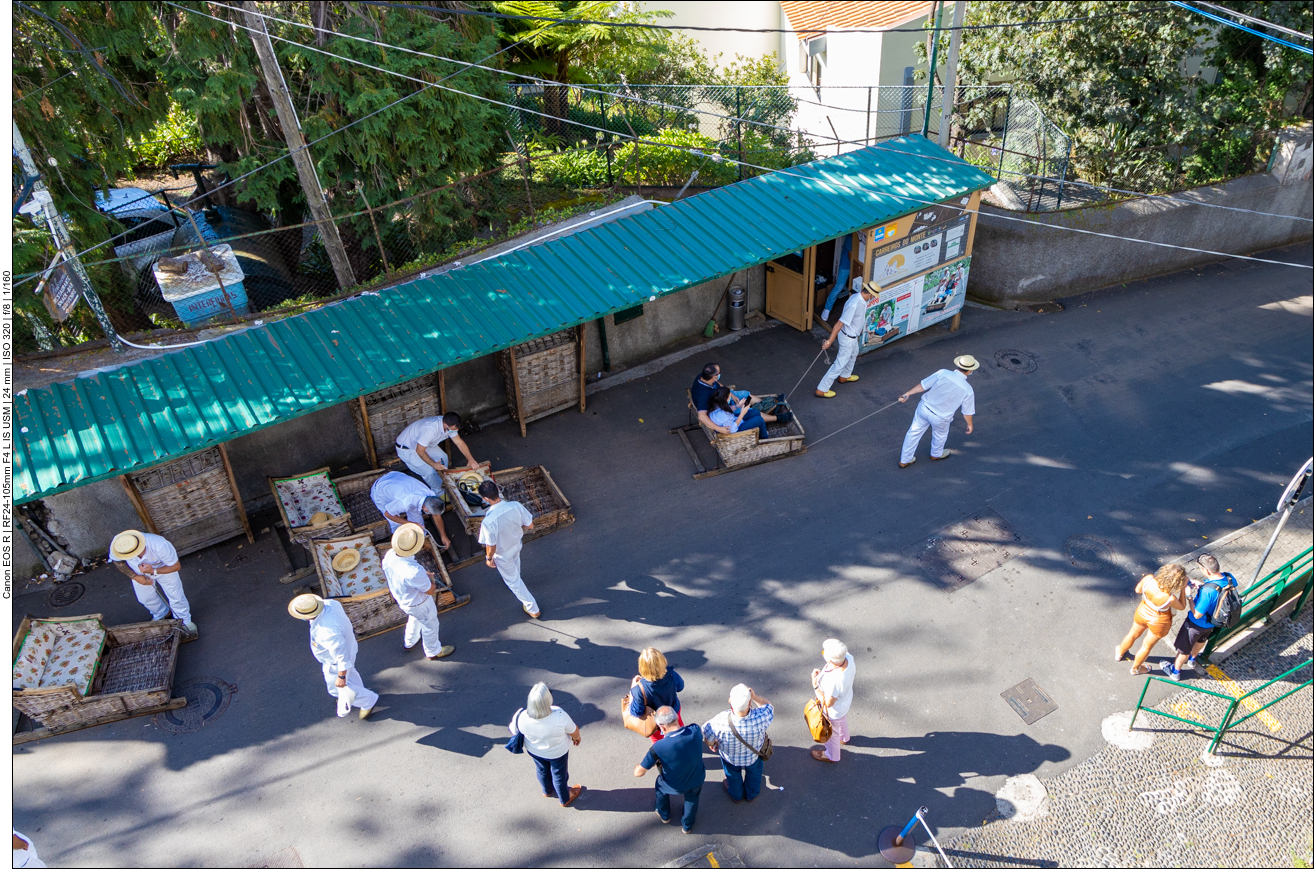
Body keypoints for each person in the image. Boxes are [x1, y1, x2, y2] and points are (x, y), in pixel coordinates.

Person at [288, 593, 378, 719]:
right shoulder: (331, 604)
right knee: (351, 674)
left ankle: (368, 700)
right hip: (349, 646)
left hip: (335, 662)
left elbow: (342, 657)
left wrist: (341, 677)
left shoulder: (328, 631)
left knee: (335, 688)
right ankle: (358, 691)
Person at [381, 524, 454, 660]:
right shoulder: (414, 571)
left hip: (404, 600)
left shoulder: (390, 555)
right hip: (420, 603)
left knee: (415, 618)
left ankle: (410, 642)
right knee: (431, 625)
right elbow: (430, 591)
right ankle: (433, 651)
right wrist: (431, 578)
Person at [107, 530, 197, 640]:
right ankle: (162, 613)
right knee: (145, 598)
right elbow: (118, 562)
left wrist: (153, 571)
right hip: (139, 573)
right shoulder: (118, 545)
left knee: (175, 595)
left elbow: (176, 566)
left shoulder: (159, 545)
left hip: (164, 569)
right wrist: (135, 577)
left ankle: (184, 620)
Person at [1161, 554, 1239, 681]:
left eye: (1201, 568)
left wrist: (1189, 596)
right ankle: (1192, 659)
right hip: (1212, 623)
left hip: (1195, 625)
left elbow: (1197, 614)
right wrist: (1202, 585)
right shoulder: (1229, 577)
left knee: (1184, 649)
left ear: (1207, 571)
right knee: (1201, 640)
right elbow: (1219, 591)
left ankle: (1175, 671)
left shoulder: (1208, 592)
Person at [897, 355, 980, 467]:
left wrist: (908, 393)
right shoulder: (968, 389)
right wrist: (969, 424)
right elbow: (967, 412)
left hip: (924, 408)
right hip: (941, 417)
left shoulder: (943, 373)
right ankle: (936, 454)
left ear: (958, 365)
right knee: (940, 435)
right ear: (970, 371)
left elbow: (923, 385)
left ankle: (905, 460)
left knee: (913, 433)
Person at [510, 682, 584, 807]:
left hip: (534, 751)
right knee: (559, 774)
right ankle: (564, 798)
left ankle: (547, 791)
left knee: (542, 770)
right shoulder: (559, 714)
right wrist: (577, 738)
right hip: (557, 753)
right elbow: (573, 730)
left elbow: (514, 730)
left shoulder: (521, 715)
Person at [634, 706, 706, 833]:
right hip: (697, 779)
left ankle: (664, 814)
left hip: (673, 785)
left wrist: (638, 767)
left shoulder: (659, 747)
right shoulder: (695, 730)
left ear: (662, 727)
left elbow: (638, 773)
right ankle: (687, 826)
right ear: (677, 717)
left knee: (660, 786)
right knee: (692, 799)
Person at [476, 480, 541, 618]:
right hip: (517, 544)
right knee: (515, 563)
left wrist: (488, 558)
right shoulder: (515, 505)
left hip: (502, 553)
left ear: (486, 499)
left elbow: (491, 545)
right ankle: (515, 576)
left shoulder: (488, 521)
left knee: (514, 582)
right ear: (498, 491)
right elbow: (530, 525)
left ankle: (532, 608)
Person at [702, 684, 773, 803]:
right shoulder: (761, 717)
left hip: (730, 758)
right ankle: (751, 794)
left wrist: (712, 744)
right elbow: (768, 706)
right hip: (753, 756)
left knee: (732, 776)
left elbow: (708, 738)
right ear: (749, 703)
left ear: (730, 702)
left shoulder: (718, 721)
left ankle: (737, 796)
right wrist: (755, 697)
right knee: (754, 775)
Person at [1115, 564, 1188, 675]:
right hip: (1159, 622)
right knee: (1146, 646)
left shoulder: (1148, 579)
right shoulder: (1170, 598)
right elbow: (1182, 606)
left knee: (1132, 634)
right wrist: (1183, 589)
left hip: (1143, 612)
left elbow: (1138, 590)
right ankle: (1135, 669)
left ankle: (1120, 653)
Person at [816, 281, 877, 398]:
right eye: (873, 296)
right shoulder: (855, 304)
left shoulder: (859, 297)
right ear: (870, 294)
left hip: (852, 335)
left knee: (854, 354)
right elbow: (839, 323)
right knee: (840, 363)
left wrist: (859, 328)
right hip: (848, 337)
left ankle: (845, 376)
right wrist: (829, 341)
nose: (873, 298)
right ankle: (822, 389)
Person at [394, 412, 479, 493]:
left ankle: (445, 480)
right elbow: (419, 451)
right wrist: (434, 464)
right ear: (446, 425)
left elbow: (459, 443)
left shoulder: (449, 425)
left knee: (443, 457)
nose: (455, 431)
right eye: (453, 429)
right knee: (429, 472)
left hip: (425, 444)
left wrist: (470, 459)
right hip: (408, 448)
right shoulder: (430, 429)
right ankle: (439, 491)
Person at [369, 470, 452, 550]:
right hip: (379, 490)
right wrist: (411, 524)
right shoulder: (405, 503)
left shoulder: (430, 495)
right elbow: (388, 514)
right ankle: (400, 546)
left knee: (418, 523)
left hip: (396, 479)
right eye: (430, 512)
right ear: (425, 508)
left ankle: (421, 540)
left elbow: (436, 515)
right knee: (396, 524)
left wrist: (443, 535)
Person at [690, 363, 782, 434]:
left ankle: (766, 405)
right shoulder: (703, 396)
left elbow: (718, 384)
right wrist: (719, 429)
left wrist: (731, 394)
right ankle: (775, 417)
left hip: (722, 395)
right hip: (720, 404)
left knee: (744, 394)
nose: (720, 374)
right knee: (748, 410)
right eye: (719, 373)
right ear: (714, 377)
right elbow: (701, 416)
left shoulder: (704, 376)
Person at [811, 638, 855, 763]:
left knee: (832, 735)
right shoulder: (849, 658)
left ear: (830, 661)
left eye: (823, 652)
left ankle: (832, 755)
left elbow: (828, 703)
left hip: (834, 712)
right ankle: (844, 738)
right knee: (842, 720)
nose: (822, 652)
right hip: (845, 702)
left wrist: (815, 685)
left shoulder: (835, 681)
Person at [629, 647, 685, 743]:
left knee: (659, 741)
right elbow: (680, 687)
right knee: (679, 731)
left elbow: (636, 712)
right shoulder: (672, 675)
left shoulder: (639, 689)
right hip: (674, 712)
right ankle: (682, 743)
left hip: (656, 723)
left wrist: (632, 690)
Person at [709, 387, 773, 441]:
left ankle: (760, 430)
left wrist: (737, 406)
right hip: (736, 430)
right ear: (726, 399)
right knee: (759, 420)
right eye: (729, 396)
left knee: (755, 412)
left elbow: (726, 409)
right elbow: (732, 430)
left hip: (733, 419)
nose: (731, 397)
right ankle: (765, 438)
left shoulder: (717, 404)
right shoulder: (725, 418)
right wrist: (742, 413)